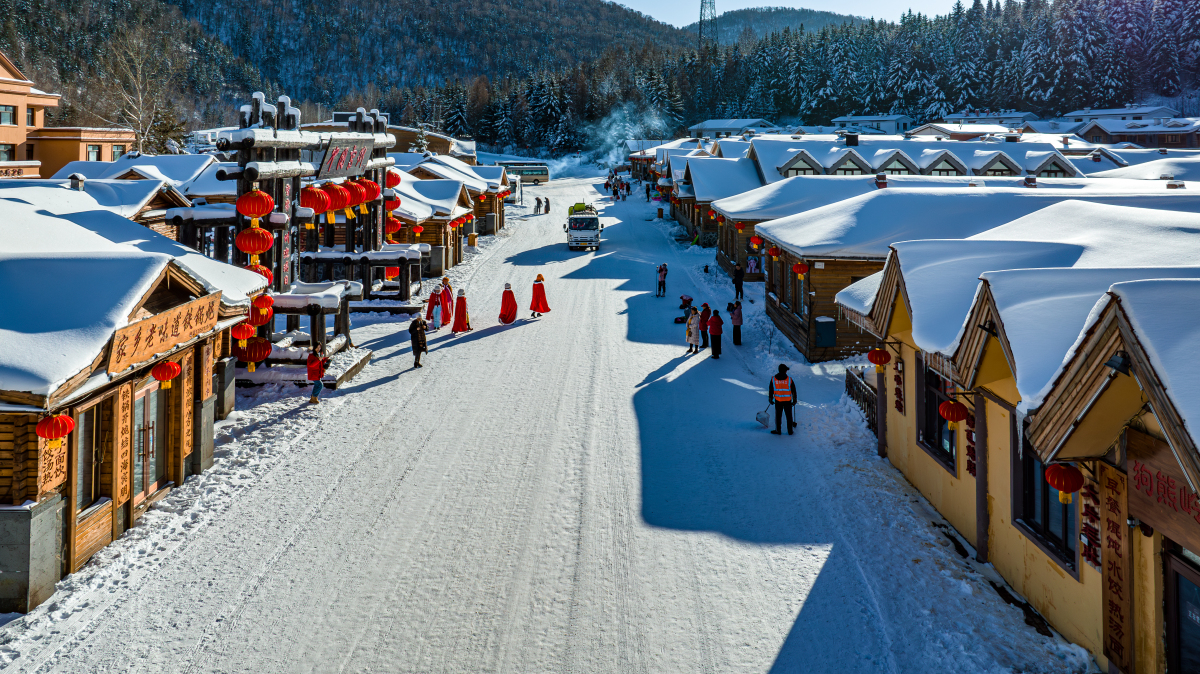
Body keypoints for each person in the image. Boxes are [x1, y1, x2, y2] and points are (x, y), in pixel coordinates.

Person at [768, 364, 798, 435]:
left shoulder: (773, 379)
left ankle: (778, 430)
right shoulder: (789, 379)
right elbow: (793, 391)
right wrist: (794, 400)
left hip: (778, 401)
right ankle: (790, 431)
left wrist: (770, 398)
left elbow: (771, 390)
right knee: (789, 416)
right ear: (785, 371)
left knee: (778, 416)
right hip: (787, 401)